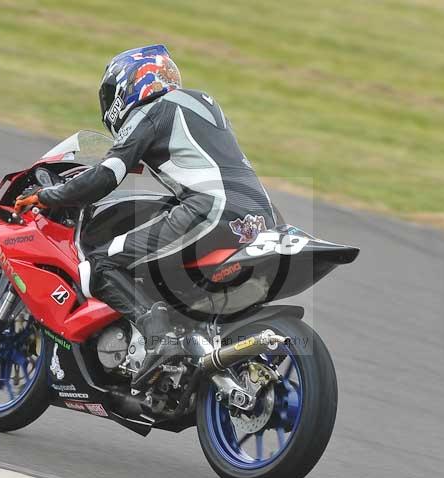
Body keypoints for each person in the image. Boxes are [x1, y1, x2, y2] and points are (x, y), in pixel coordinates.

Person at [15, 44, 275, 389]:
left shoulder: (152, 111)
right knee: (170, 281)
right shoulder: (202, 106)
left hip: (211, 211)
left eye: (111, 94)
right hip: (261, 218)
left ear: (130, 84)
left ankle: (158, 336)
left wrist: (49, 195)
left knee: (100, 262)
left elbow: (108, 174)